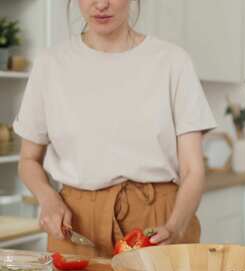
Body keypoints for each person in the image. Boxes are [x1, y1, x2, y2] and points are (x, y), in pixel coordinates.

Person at [14, 0, 216, 257]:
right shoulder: (50, 64)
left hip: (159, 219)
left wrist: (175, 226)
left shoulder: (172, 61)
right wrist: (48, 199)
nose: (101, 5)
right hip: (75, 224)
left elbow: (193, 170)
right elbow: (28, 160)